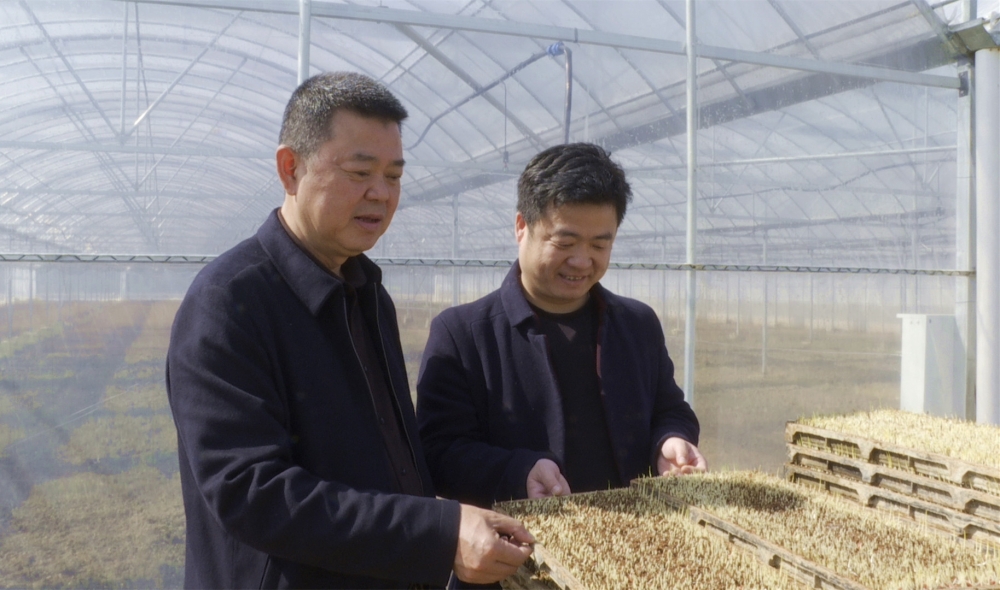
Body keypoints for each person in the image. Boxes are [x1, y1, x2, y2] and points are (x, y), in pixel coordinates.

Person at [166, 71, 533, 590]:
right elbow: (253, 492)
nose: (380, 194)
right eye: (360, 172)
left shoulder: (367, 295)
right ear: (291, 169)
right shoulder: (230, 303)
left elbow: (393, 460)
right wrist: (436, 533)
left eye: (394, 176)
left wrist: (456, 510)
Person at [417, 142, 706, 512]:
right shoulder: (464, 334)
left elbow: (670, 409)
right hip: (518, 542)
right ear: (521, 227)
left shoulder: (637, 324)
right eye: (565, 242)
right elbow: (439, 452)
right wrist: (519, 472)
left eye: (599, 245)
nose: (581, 261)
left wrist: (670, 440)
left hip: (635, 534)